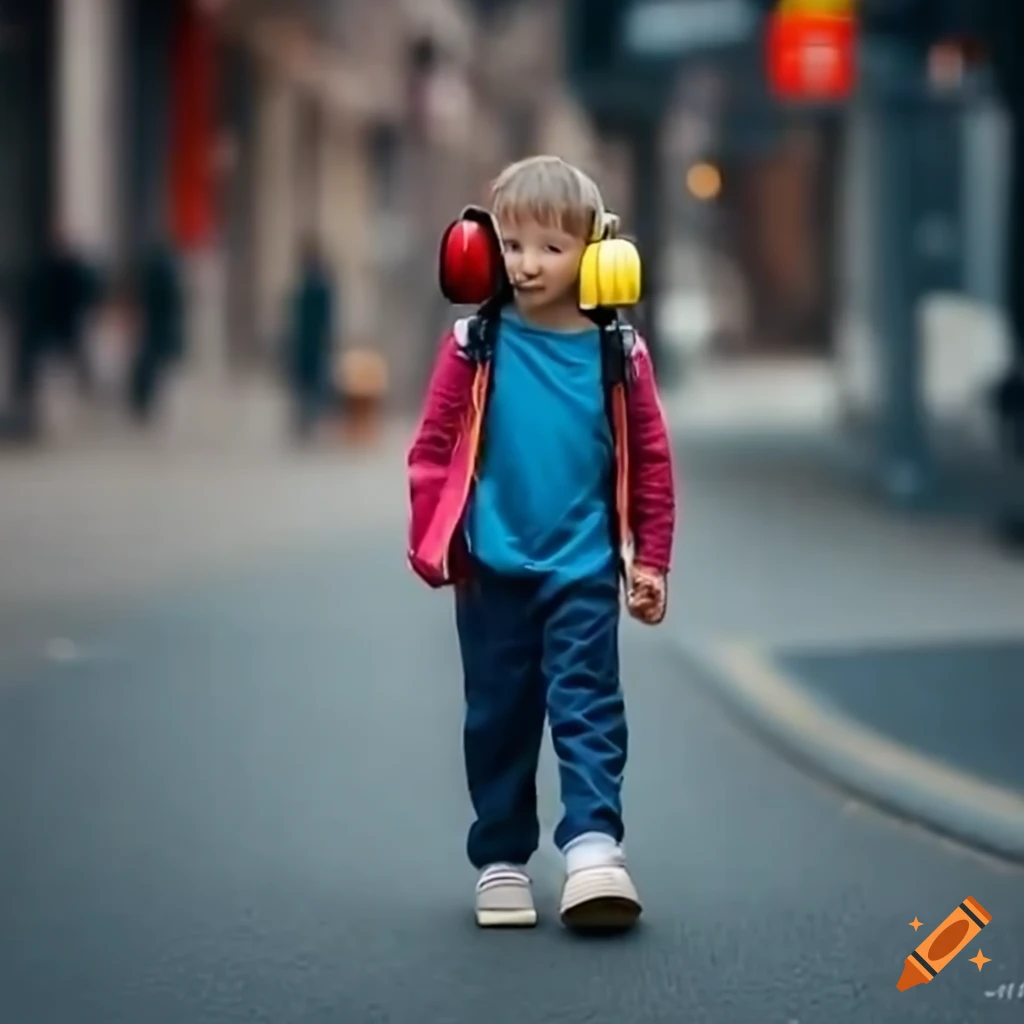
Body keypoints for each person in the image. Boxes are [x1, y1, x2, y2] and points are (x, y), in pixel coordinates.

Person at [406, 156, 677, 932]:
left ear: (594, 253)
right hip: (492, 569)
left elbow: (651, 461)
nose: (527, 264)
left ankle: (594, 850)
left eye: (550, 248)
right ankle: (502, 860)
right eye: (513, 245)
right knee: (498, 714)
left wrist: (649, 556)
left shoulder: (616, 355)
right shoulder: (473, 344)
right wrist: (436, 533)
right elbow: (431, 447)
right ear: (486, 247)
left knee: (589, 706)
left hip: (583, 569)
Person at [286, 237, 337, 442]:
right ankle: (305, 421)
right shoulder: (306, 283)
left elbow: (325, 316)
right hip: (304, 343)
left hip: (313, 343)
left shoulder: (318, 285)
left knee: (313, 384)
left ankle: (311, 421)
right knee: (305, 383)